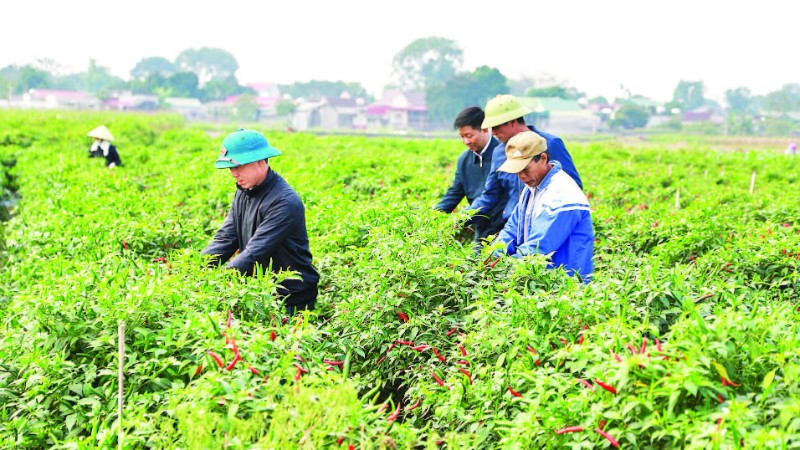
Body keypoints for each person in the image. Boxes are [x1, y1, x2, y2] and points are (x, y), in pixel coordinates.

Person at [202, 128, 319, 315]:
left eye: (238, 167)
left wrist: (217, 282)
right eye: (231, 168)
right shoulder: (243, 190)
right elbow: (225, 238)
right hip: (261, 293)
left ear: (259, 161)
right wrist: (195, 270)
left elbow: (254, 252)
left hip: (291, 298)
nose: (234, 173)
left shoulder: (284, 202)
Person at [467, 95, 582, 233]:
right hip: (512, 228)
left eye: (496, 126)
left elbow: (573, 187)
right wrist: (461, 218)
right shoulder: (499, 153)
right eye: (491, 128)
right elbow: (491, 194)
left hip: (544, 226)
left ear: (513, 122)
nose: (494, 133)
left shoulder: (549, 143)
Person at [493, 131, 593, 281]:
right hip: (544, 281)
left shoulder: (562, 194)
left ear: (543, 158)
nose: (521, 176)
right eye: (517, 171)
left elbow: (539, 246)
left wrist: (505, 269)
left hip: (567, 285)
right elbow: (512, 229)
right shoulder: (532, 189)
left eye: (525, 169)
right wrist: (492, 255)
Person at [434, 107, 505, 242]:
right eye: (462, 136)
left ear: (484, 129)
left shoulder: (503, 154)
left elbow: (494, 196)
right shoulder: (464, 161)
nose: (466, 141)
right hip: (481, 226)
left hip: (504, 226)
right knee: (476, 260)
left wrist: (462, 218)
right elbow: (454, 192)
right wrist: (432, 216)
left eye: (469, 135)